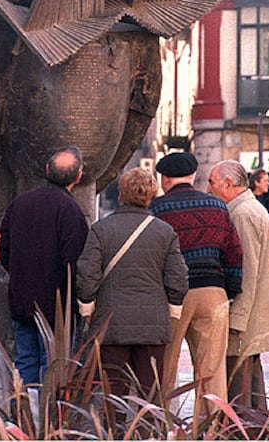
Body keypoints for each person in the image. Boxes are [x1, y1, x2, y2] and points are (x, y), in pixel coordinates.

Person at [76, 167, 189, 404]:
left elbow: (87, 273)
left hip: (111, 322)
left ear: (121, 194)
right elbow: (178, 277)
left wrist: (87, 309)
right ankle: (148, 435)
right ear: (152, 195)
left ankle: (116, 433)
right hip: (152, 324)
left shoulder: (101, 229)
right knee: (150, 394)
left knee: (113, 393)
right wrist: (173, 311)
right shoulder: (165, 231)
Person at [149, 152, 243, 413]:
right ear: (192, 176)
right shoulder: (217, 206)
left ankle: (164, 424)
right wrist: (230, 289)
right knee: (211, 369)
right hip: (213, 292)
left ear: (165, 178)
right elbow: (234, 252)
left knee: (165, 366)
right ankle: (211, 428)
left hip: (173, 296)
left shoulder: (157, 209)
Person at [0, 145, 89, 386]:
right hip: (56, 307)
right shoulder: (72, 211)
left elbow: (3, 249)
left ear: (47, 169)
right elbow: (75, 261)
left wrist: (20, 275)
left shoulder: (20, 203)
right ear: (78, 177)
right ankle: (48, 420)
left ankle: (23, 416)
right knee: (54, 367)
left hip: (21, 300)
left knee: (25, 363)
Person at [207, 160, 269, 408]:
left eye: (212, 182)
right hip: (252, 317)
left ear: (227, 183)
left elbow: (247, 272)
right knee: (251, 388)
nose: (209, 188)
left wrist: (237, 320)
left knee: (240, 390)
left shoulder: (242, 214)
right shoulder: (247, 209)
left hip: (245, 319)